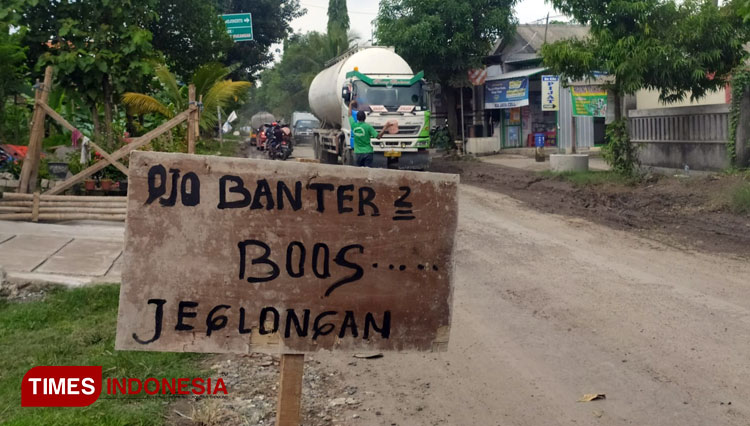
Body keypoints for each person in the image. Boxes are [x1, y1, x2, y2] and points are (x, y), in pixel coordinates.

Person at [348, 101, 387, 167]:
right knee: (368, 172)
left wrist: (350, 104)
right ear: (365, 118)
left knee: (359, 172)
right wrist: (385, 127)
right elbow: (378, 136)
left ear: (357, 118)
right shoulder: (368, 127)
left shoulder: (353, 125)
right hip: (368, 153)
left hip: (358, 153)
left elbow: (349, 114)